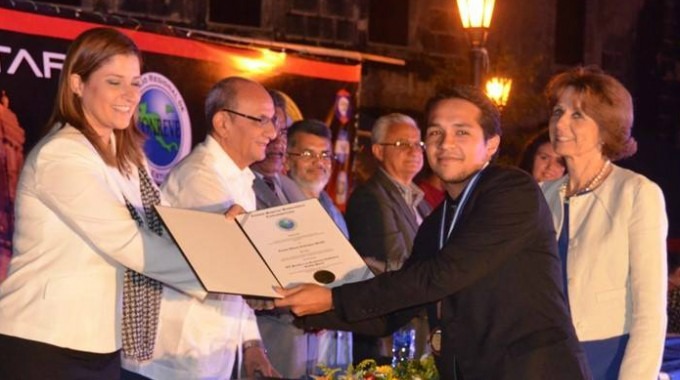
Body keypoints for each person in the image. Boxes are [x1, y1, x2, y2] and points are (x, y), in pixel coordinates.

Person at [275, 86, 591, 380]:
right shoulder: (437, 220)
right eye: (436, 132)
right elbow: (393, 314)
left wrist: (333, 297)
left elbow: (441, 275)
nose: (445, 143)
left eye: (462, 132)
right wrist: (302, 305)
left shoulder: (512, 190)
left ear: (491, 145)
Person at [0, 27, 206, 379]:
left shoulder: (128, 156)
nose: (130, 95)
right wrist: (215, 274)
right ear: (77, 84)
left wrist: (223, 232)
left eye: (136, 82)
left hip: (101, 344)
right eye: (114, 82)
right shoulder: (62, 155)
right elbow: (126, 240)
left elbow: (160, 225)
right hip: (43, 342)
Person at [122, 77, 279, 379]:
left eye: (272, 122)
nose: (271, 133)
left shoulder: (241, 179)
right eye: (261, 120)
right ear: (223, 123)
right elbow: (236, 262)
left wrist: (251, 343)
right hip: (171, 361)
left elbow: (242, 276)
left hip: (208, 359)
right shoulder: (198, 176)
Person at [541, 66, 668, 380]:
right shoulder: (543, 195)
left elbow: (650, 312)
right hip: (547, 359)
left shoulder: (637, 193)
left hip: (608, 360)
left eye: (578, 115)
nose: (561, 123)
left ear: (606, 127)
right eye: (558, 111)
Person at [344, 113, 432, 364]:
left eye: (418, 144)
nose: (413, 151)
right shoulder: (371, 198)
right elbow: (382, 267)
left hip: (419, 333)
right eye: (402, 144)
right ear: (378, 151)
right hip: (390, 337)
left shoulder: (420, 201)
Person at [249, 91, 311, 379]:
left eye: (284, 131)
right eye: (269, 129)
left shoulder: (290, 187)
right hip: (262, 335)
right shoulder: (241, 186)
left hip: (300, 336)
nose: (277, 141)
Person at [285, 119, 352, 370]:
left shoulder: (333, 211)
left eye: (325, 154)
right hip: (292, 339)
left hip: (333, 340)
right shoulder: (274, 209)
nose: (319, 162)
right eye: (307, 154)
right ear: (287, 159)